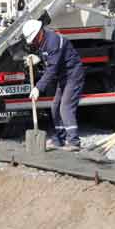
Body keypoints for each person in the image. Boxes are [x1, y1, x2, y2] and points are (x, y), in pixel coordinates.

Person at [22, 19, 85, 151]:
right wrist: (36, 58)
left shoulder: (53, 41)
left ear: (39, 33)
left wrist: (38, 87)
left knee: (65, 107)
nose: (33, 42)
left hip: (73, 75)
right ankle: (59, 139)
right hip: (63, 76)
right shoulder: (43, 41)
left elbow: (52, 69)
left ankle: (74, 142)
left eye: (34, 39)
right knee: (55, 107)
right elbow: (47, 58)